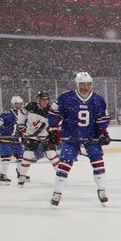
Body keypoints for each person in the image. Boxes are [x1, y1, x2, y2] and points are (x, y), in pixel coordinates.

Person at [47, 72, 112, 207]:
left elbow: (102, 118)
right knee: (65, 163)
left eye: (88, 84)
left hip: (91, 136)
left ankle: (102, 190)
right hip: (71, 136)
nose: (85, 87)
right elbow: (53, 114)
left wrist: (103, 132)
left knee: (98, 161)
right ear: (77, 84)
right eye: (82, 84)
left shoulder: (98, 100)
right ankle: (57, 192)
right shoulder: (66, 97)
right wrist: (53, 130)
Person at [17, 91, 60, 186]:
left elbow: (57, 121)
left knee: (52, 154)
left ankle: (61, 175)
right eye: (43, 99)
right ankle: (22, 175)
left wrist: (56, 132)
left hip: (45, 135)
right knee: (27, 154)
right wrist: (20, 124)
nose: (46, 101)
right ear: (38, 100)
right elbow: (21, 112)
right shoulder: (31, 106)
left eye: (47, 99)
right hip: (32, 135)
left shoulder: (50, 110)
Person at [0, 95, 26, 185]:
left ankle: (21, 174)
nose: (19, 106)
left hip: (16, 139)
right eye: (17, 104)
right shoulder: (6, 114)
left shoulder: (23, 114)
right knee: (6, 157)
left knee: (20, 157)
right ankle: (3, 176)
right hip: (5, 139)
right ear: (13, 104)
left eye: (20, 104)